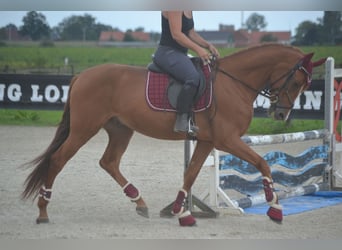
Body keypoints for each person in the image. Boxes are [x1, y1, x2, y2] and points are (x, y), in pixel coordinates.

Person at [153, 11, 220, 134]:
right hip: (167, 52)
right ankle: (181, 120)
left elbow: (191, 33)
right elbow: (177, 34)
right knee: (192, 77)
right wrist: (198, 49)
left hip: (180, 54)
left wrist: (207, 45)